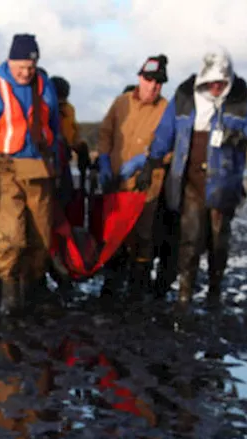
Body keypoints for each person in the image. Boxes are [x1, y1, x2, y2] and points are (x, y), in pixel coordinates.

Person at [137, 49, 247, 307]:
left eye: (221, 83)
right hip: (188, 180)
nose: (216, 87)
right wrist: (150, 164)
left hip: (224, 183)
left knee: (218, 241)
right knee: (189, 239)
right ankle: (184, 296)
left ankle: (214, 291)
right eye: (212, 82)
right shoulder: (184, 95)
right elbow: (165, 133)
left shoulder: (244, 98)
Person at [0, 33, 65, 317]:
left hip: (39, 170)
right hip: (4, 169)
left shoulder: (45, 86)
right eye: (20, 66)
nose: (25, 72)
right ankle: (9, 297)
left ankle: (32, 293)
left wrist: (60, 169)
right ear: (10, 60)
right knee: (11, 238)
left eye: (30, 67)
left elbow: (54, 129)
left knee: (40, 238)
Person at [95, 54, 170, 298]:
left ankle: (138, 287)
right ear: (140, 78)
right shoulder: (121, 102)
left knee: (143, 236)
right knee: (114, 233)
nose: (153, 86)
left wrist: (145, 161)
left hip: (146, 185)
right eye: (149, 80)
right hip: (116, 182)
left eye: (159, 82)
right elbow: (105, 133)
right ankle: (111, 284)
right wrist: (104, 160)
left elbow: (173, 147)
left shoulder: (166, 109)